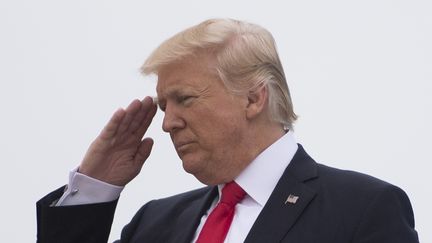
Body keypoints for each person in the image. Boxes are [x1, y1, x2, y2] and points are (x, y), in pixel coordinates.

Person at [36, 19, 419, 243]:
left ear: (253, 98)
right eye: (165, 106)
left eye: (184, 98)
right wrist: (92, 189)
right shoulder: (153, 225)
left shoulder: (364, 209)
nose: (168, 123)